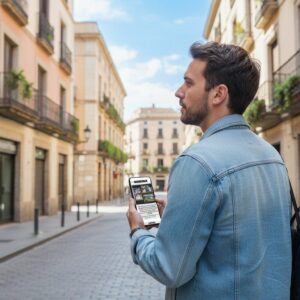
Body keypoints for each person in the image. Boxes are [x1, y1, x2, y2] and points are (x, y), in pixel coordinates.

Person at [126, 42, 292, 300]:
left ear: (218, 94)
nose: (178, 92)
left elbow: (168, 267)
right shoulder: (272, 156)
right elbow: (242, 233)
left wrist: (138, 231)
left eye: (188, 83)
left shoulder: (197, 162)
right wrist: (179, 215)